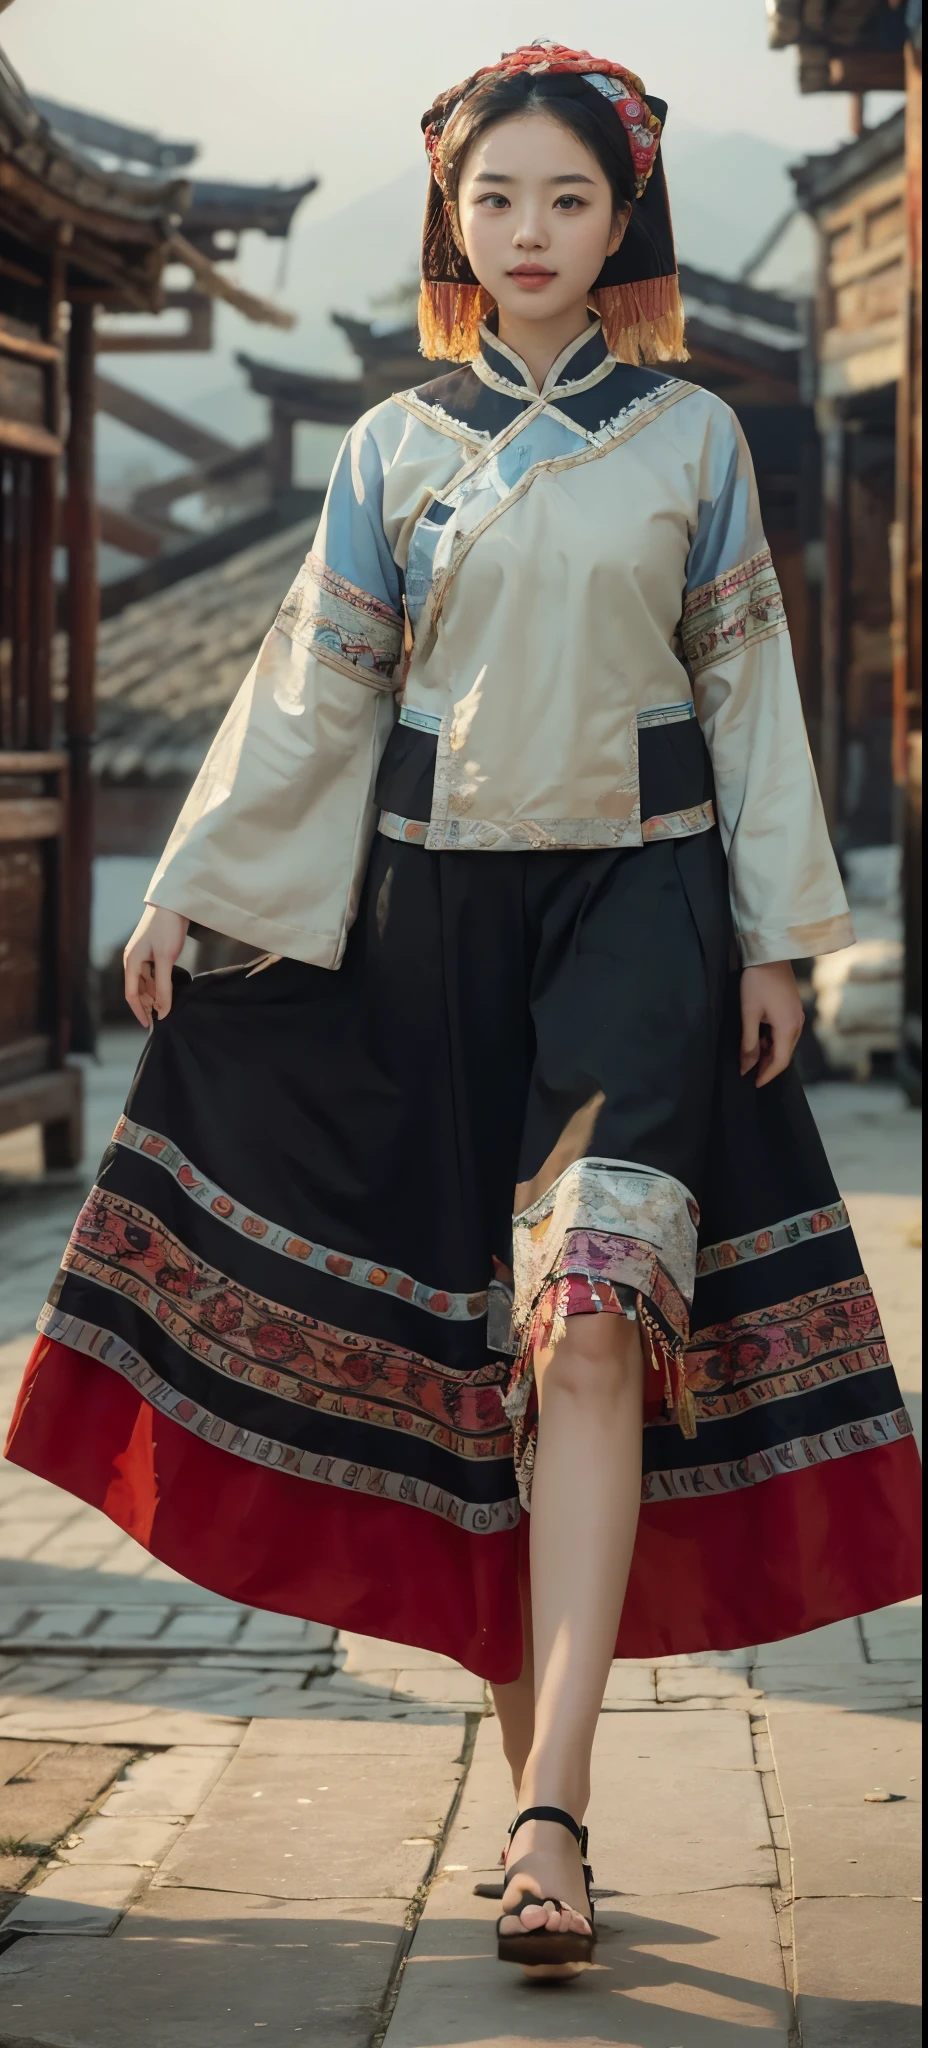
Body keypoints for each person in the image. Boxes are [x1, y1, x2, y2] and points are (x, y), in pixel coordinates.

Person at [6, 42, 921, 1976]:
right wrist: (193, 890)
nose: (529, 232)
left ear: (624, 224)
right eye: (495, 198)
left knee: (592, 1321)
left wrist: (778, 936)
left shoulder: (697, 443)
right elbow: (316, 696)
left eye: (570, 200)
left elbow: (752, 699)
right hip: (424, 929)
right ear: (453, 217)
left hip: (644, 918)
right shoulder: (390, 454)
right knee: (487, 1369)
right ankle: (545, 1807)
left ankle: (550, 1811)